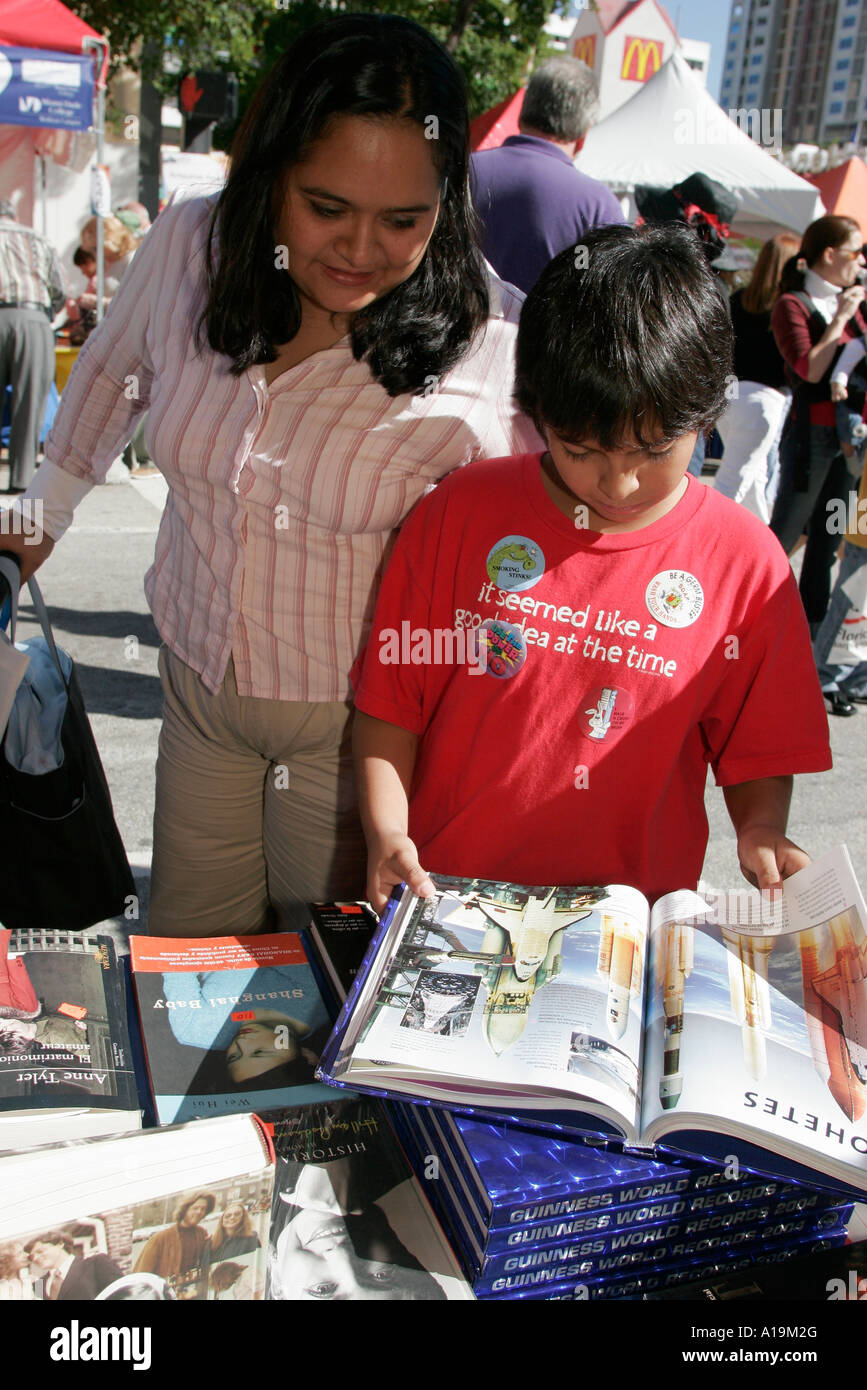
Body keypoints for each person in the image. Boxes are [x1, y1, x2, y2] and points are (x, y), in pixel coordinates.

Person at [6, 14, 539, 938]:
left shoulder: (494, 344)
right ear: (267, 176)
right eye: (325, 208)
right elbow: (98, 399)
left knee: (320, 986)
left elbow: (561, 546)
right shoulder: (189, 250)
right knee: (188, 962)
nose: (361, 249)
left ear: (446, 203)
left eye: (404, 220)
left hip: (363, 735)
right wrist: (22, 542)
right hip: (201, 693)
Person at [352, 224, 832, 913]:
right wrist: (385, 829)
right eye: (581, 449)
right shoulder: (458, 513)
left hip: (629, 921)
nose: (621, 484)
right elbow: (389, 707)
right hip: (450, 899)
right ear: (537, 411)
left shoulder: (746, 563)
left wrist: (759, 826)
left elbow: (757, 744)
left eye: (654, 448)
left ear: (706, 416)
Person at [770, 215, 867, 630]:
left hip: (849, 439)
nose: (860, 262)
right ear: (830, 254)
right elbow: (809, 369)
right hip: (810, 435)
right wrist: (841, 319)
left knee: (828, 542)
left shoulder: (856, 300)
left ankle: (808, 632)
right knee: (784, 536)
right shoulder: (793, 303)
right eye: (855, 252)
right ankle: (749, 622)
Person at [470, 56, 624, 294]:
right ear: (583, 136)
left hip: (450, 328)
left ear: (521, 114)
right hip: (544, 331)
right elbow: (608, 303)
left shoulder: (462, 172)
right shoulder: (599, 206)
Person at [714, 233, 799, 521]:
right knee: (734, 480)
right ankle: (708, 542)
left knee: (753, 475)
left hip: (730, 394)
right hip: (763, 399)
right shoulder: (789, 307)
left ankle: (764, 542)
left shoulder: (738, 300)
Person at [0, 200, 65, 492]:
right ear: (13, 215)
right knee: (30, 402)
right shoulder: (37, 238)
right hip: (33, 316)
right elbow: (59, 289)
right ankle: (21, 478)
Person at [133, 1191, 215, 1291]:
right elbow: (141, 1275)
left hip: (189, 1292)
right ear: (185, 1209)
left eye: (203, 1209)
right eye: (195, 1208)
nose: (199, 1212)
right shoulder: (160, 1238)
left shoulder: (202, 1234)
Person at [24, 1230, 122, 1300]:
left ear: (60, 1244)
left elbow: (123, 1294)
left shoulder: (96, 1263)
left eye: (40, 1251)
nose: (35, 1258)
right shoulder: (38, 1285)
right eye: (32, 1257)